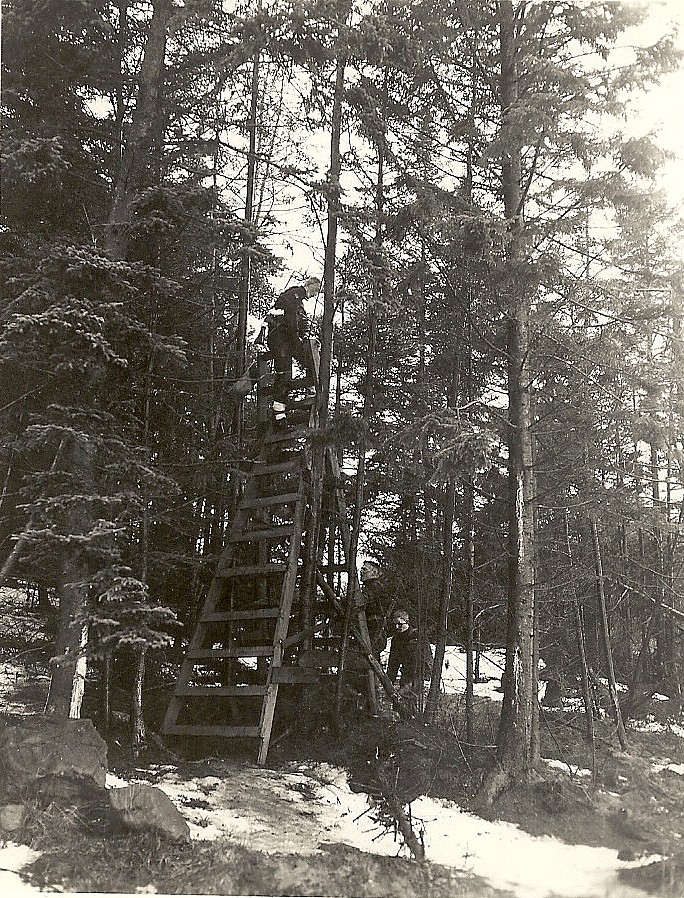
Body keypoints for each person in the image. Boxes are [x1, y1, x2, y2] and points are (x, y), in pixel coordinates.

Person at [266, 276, 320, 423]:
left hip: (289, 341)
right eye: (315, 290)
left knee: (308, 360)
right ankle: (279, 416)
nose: (315, 294)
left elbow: (300, 324)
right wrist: (298, 339)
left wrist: (306, 337)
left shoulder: (299, 303)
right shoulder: (293, 295)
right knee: (284, 374)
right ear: (310, 285)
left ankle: (311, 392)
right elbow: (290, 321)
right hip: (280, 340)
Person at [386, 609, 433, 692]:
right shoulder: (396, 640)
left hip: (418, 676)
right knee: (403, 699)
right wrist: (389, 681)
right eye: (395, 624)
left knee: (407, 697)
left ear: (407, 622)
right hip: (405, 675)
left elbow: (428, 656)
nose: (397, 627)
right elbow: (393, 662)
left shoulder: (418, 636)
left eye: (400, 624)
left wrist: (427, 676)